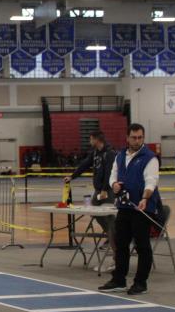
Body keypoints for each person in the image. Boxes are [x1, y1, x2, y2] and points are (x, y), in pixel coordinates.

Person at [99, 123, 160, 295]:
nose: (137, 140)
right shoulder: (120, 156)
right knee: (121, 244)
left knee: (142, 246)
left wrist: (145, 198)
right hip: (124, 206)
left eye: (140, 137)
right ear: (127, 138)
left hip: (142, 208)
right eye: (134, 137)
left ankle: (141, 283)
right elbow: (113, 176)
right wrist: (114, 185)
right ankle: (119, 280)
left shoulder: (150, 158)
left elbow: (151, 181)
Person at [66, 131, 117, 257]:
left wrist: (105, 189)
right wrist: (72, 176)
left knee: (109, 217)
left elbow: (109, 173)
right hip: (98, 191)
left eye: (90, 139)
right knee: (94, 212)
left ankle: (116, 243)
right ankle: (111, 236)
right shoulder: (95, 153)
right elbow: (84, 165)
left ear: (96, 140)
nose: (89, 142)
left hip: (108, 190)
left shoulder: (109, 153)